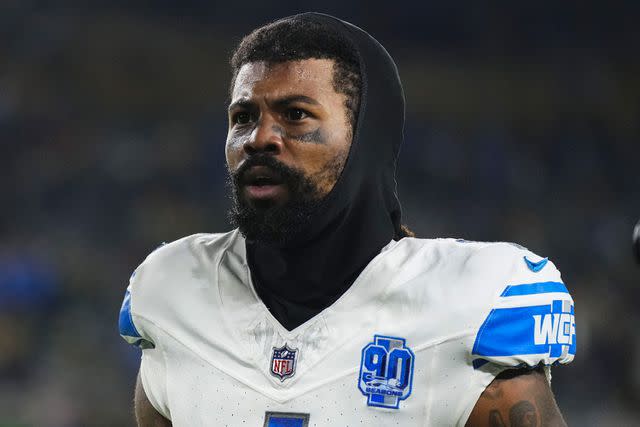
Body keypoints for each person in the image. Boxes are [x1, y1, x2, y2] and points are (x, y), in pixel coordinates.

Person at [119, 12, 576, 426]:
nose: (259, 138)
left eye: (295, 115)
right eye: (243, 117)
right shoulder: (171, 289)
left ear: (367, 137)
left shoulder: (471, 300)